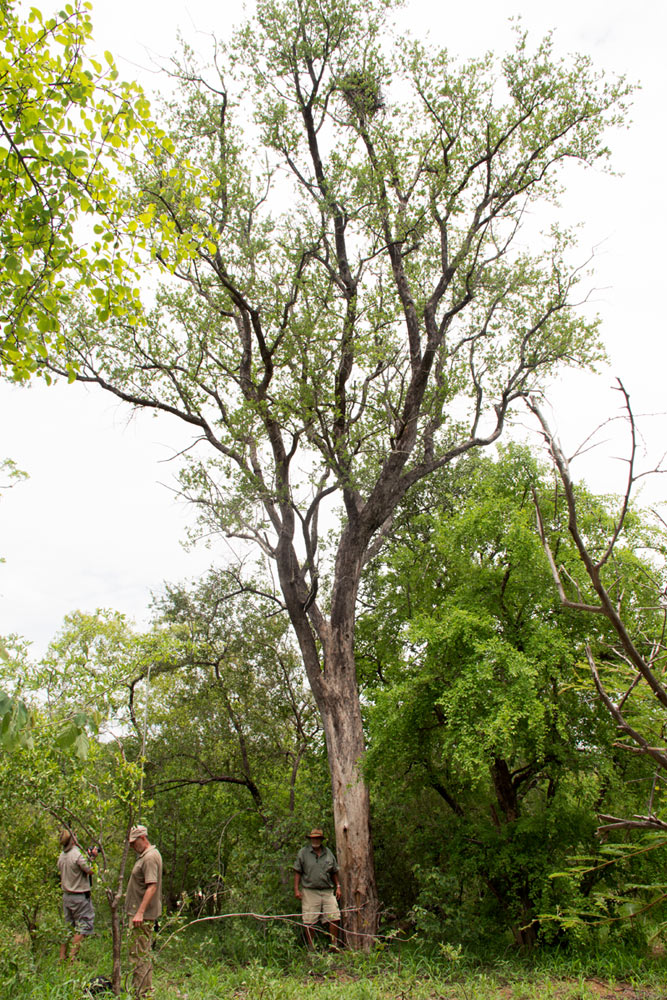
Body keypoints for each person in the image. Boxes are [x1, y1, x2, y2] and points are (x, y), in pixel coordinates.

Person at [125, 825, 163, 998]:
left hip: (143, 916)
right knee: (140, 954)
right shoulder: (144, 856)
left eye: (134, 843)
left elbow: (152, 886)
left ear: (142, 838)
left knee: (139, 956)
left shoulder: (149, 858)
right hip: (138, 914)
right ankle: (141, 991)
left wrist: (140, 912)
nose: (133, 847)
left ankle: (142, 993)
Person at [293, 827, 342, 949]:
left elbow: (334, 871)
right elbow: (297, 871)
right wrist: (296, 889)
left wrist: (338, 886)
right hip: (310, 891)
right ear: (310, 839)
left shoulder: (328, 853)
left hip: (327, 890)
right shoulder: (303, 853)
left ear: (321, 839)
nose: (316, 840)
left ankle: (333, 945)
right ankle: (311, 948)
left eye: (318, 838)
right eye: (313, 838)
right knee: (309, 920)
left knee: (334, 916)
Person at [57, 827, 98, 962]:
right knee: (83, 926)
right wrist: (92, 858)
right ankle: (72, 960)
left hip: (67, 896)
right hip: (79, 897)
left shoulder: (62, 855)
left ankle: (62, 957)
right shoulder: (76, 854)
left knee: (68, 926)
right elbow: (91, 870)